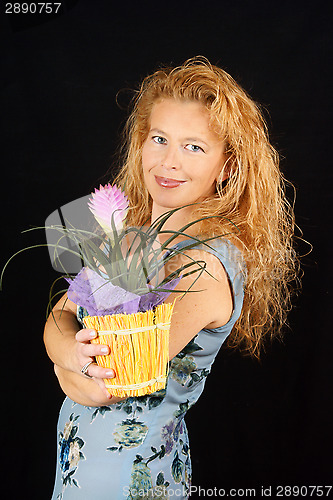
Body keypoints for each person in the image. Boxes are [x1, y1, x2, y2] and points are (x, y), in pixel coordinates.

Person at [44, 56, 299, 499]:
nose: (169, 162)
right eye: (159, 139)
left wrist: (63, 360)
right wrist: (68, 350)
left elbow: (113, 382)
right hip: (79, 469)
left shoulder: (206, 265)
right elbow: (58, 317)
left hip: (129, 479)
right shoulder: (128, 234)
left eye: (193, 147)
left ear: (228, 167)